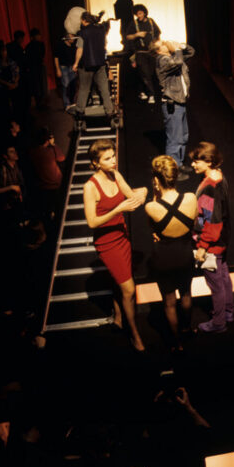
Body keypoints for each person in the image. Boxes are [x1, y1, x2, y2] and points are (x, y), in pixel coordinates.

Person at [83, 139, 147, 351]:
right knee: (129, 289)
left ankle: (118, 316)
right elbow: (92, 222)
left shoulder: (116, 174)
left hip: (122, 236)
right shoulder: (90, 187)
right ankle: (135, 334)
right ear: (96, 163)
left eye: (113, 156)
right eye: (107, 158)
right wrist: (117, 209)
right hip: (107, 243)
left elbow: (132, 199)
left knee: (119, 280)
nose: (113, 161)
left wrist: (143, 192)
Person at [145, 156, 198, 351]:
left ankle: (177, 344)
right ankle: (186, 328)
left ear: (157, 180)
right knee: (186, 294)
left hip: (164, 259)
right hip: (185, 254)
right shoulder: (191, 198)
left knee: (169, 303)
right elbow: (193, 224)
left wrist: (155, 192)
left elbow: (154, 232)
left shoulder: (151, 207)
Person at [190, 142, 234, 333]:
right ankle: (228, 312)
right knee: (223, 277)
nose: (192, 165)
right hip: (222, 240)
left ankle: (218, 323)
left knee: (216, 284)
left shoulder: (210, 187)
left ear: (208, 162)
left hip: (211, 244)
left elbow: (212, 221)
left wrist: (202, 246)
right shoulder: (220, 176)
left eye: (196, 161)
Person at [72, 11, 120, 131]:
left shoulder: (82, 33)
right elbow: (103, 48)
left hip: (86, 65)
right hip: (100, 64)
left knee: (84, 88)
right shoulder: (101, 31)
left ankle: (80, 113)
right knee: (104, 89)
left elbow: (80, 50)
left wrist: (76, 63)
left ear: (84, 20)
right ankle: (110, 111)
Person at [154, 39, 195, 169]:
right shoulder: (161, 60)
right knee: (174, 139)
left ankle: (180, 163)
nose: (166, 43)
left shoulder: (173, 57)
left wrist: (181, 46)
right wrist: (177, 50)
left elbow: (191, 52)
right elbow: (177, 61)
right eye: (163, 44)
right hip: (172, 103)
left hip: (180, 102)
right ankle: (173, 169)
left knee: (183, 136)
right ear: (158, 50)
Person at [125, 4, 162, 103]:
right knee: (145, 73)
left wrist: (156, 42)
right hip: (140, 52)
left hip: (151, 51)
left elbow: (158, 33)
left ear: (144, 13)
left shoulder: (151, 21)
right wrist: (136, 35)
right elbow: (128, 37)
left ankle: (142, 90)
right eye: (137, 14)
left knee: (150, 73)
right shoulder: (134, 24)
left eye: (140, 13)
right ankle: (151, 95)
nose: (139, 16)